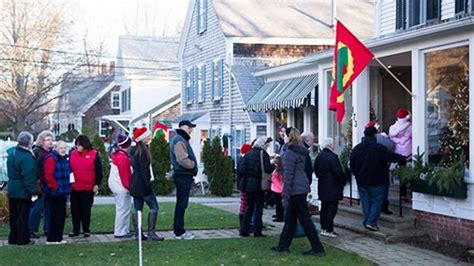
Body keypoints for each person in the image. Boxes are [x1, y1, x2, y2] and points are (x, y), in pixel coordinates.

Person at [272, 127, 325, 257]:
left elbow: (289, 175)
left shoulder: (290, 153)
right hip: (301, 187)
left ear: (289, 137)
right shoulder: (300, 151)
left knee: (305, 220)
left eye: (285, 135)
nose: (283, 137)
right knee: (290, 218)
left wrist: (285, 194)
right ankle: (283, 245)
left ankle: (317, 248)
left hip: (296, 189)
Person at [350, 126, 406, 231]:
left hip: (361, 180)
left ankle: (367, 221)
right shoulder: (379, 148)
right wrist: (402, 158)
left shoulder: (357, 148)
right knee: (377, 201)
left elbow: (352, 164)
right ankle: (371, 222)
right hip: (377, 180)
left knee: (365, 201)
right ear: (375, 135)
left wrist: (356, 174)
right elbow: (391, 157)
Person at [130, 127, 164, 241]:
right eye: (148, 136)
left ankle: (138, 233)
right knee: (154, 207)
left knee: (137, 209)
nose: (150, 137)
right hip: (143, 185)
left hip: (135, 185)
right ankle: (151, 232)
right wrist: (148, 186)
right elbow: (144, 171)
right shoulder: (143, 152)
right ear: (143, 138)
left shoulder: (134, 151)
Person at [238, 136, 274, 237]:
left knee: (249, 207)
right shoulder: (264, 154)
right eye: (267, 144)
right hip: (259, 185)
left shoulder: (248, 154)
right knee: (258, 208)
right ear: (264, 145)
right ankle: (257, 230)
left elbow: (241, 169)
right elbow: (267, 169)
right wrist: (274, 164)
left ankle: (244, 230)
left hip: (248, 185)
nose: (268, 146)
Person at [7, 132, 38, 245]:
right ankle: (22, 239)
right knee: (23, 216)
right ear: (29, 142)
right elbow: (28, 176)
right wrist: (33, 192)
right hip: (22, 189)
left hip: (12, 188)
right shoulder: (27, 157)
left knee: (14, 215)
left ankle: (13, 238)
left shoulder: (12, 154)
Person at [69, 135, 103, 237]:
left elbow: (98, 171)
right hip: (74, 187)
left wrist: (97, 183)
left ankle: (86, 229)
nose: (77, 146)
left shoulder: (94, 154)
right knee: (75, 210)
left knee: (86, 210)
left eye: (79, 144)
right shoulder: (72, 154)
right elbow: (70, 169)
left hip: (88, 187)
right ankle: (75, 230)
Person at [170, 120, 198, 240]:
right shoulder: (179, 140)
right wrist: (192, 165)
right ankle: (179, 231)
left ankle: (178, 229)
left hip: (183, 175)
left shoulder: (181, 139)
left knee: (181, 204)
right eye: (189, 127)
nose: (191, 130)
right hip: (182, 176)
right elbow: (182, 159)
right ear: (182, 127)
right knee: (182, 204)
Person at [314, 138, 346, 238]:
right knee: (331, 209)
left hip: (323, 185)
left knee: (324, 208)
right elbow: (338, 172)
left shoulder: (319, 156)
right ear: (330, 145)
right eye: (333, 144)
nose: (334, 145)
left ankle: (324, 228)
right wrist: (343, 181)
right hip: (333, 186)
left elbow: (316, 170)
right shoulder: (332, 157)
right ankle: (328, 229)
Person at [43, 141, 71, 244]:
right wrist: (55, 188)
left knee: (61, 215)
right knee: (55, 215)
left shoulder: (64, 159)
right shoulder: (51, 158)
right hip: (55, 192)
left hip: (63, 191)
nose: (63, 150)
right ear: (56, 148)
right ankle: (52, 238)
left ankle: (58, 237)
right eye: (61, 148)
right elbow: (48, 176)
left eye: (64, 148)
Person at [29, 130, 54, 239]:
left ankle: (47, 229)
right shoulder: (37, 152)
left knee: (49, 208)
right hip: (41, 184)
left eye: (51, 140)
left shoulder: (52, 152)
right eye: (47, 140)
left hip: (49, 184)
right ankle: (31, 229)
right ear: (41, 141)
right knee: (37, 208)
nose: (50, 142)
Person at [366, 121, 395, 215]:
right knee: (383, 189)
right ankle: (382, 207)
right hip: (381, 169)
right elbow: (391, 146)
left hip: (368, 171)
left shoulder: (363, 143)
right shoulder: (381, 140)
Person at [109, 133, 134, 239]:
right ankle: (120, 231)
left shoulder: (117, 156)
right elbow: (125, 175)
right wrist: (130, 187)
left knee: (121, 209)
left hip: (116, 186)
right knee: (123, 210)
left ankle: (123, 230)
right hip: (121, 187)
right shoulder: (123, 158)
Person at [237, 143, 252, 228]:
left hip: (242, 184)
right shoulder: (244, 160)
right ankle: (244, 224)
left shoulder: (240, 159)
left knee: (243, 203)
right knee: (245, 204)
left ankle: (243, 223)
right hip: (245, 184)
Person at [270, 155, 284, 222]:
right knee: (279, 203)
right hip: (280, 188)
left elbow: (273, 178)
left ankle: (279, 216)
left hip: (276, 189)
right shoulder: (282, 170)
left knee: (278, 204)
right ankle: (279, 214)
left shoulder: (277, 171)